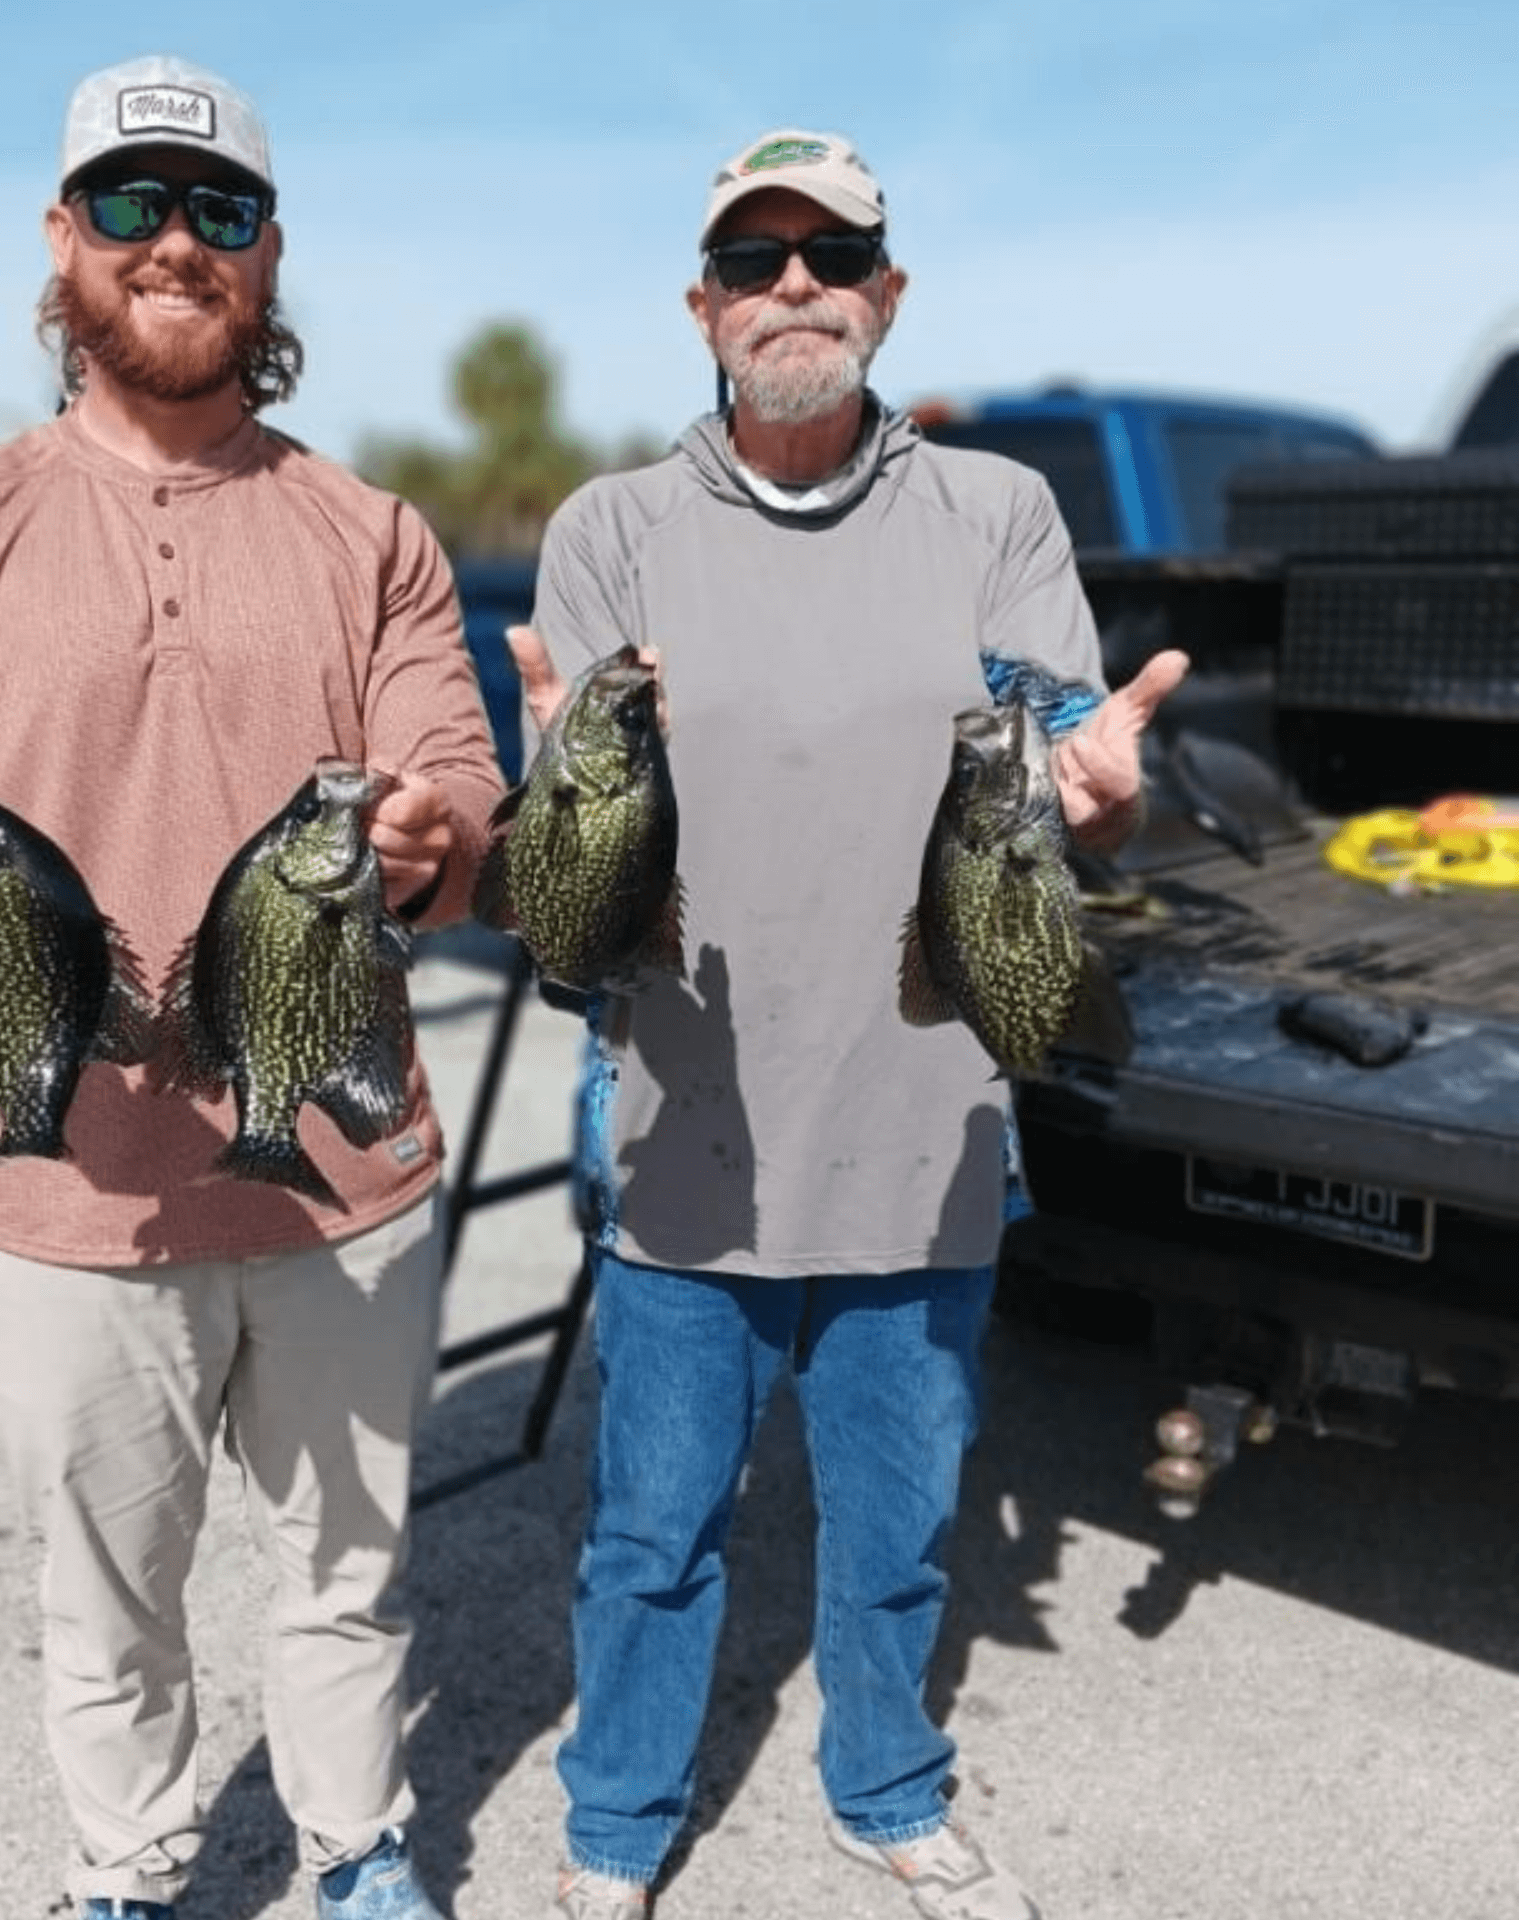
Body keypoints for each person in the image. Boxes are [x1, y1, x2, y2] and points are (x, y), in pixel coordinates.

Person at [0, 53, 502, 1920]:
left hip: (343, 1154)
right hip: (64, 1180)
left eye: (220, 210)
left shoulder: (377, 535)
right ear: (61, 239)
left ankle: (354, 1852)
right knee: (103, 1596)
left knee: (347, 1570)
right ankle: (128, 1870)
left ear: (269, 257)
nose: (176, 242)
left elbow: (459, 783)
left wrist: (434, 828)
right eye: (131, 202)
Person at [506, 130, 1188, 1920]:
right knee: (652, 1534)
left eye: (832, 253)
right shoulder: (610, 531)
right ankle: (616, 1825)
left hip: (924, 1117)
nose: (792, 283)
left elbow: (1065, 757)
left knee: (898, 1527)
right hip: (683, 1125)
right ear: (703, 306)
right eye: (755, 257)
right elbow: (566, 861)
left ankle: (888, 1788)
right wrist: (542, 793)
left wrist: (1102, 794)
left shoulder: (996, 513)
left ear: (888, 295)